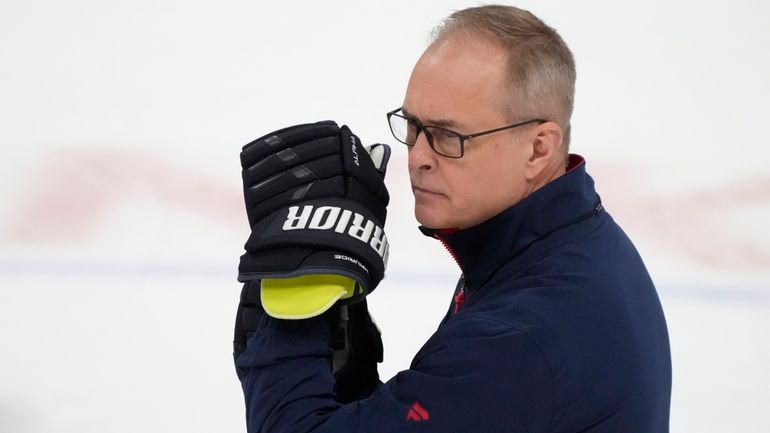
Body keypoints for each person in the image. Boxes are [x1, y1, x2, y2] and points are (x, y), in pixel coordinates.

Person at [233, 5, 672, 433]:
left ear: (539, 149)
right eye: (412, 125)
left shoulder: (519, 339)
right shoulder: (563, 244)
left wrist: (297, 307)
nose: (418, 157)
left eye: (448, 135)